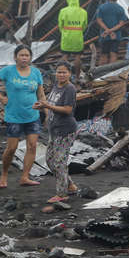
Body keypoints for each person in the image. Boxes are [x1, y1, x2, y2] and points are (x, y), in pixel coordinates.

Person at [0, 45, 45, 188]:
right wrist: (0, 97)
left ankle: (25, 177)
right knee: (11, 148)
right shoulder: (8, 71)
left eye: (27, 55)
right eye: (21, 55)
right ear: (15, 57)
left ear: (30, 58)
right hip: (14, 116)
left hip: (32, 115)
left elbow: (40, 93)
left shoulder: (35, 72)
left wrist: (44, 105)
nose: (24, 58)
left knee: (32, 146)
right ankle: (4, 175)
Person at [37, 62, 78, 203]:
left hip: (65, 130)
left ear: (70, 74)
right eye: (59, 72)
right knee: (50, 161)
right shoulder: (56, 86)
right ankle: (70, 185)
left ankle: (62, 194)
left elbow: (67, 110)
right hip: (54, 130)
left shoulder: (70, 89)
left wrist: (47, 105)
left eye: (64, 72)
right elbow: (50, 103)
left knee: (59, 162)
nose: (61, 75)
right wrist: (42, 107)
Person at [57, 0, 87, 80]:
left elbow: (60, 25)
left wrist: (64, 32)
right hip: (78, 37)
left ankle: (65, 77)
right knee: (77, 57)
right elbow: (84, 26)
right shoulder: (83, 12)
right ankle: (77, 77)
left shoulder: (63, 11)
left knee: (64, 57)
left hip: (66, 37)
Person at [95, 0, 129, 65]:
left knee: (103, 55)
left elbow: (99, 21)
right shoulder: (120, 9)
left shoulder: (102, 7)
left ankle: (101, 74)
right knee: (114, 54)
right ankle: (111, 74)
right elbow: (121, 24)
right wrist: (111, 31)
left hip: (104, 35)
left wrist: (107, 31)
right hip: (115, 36)